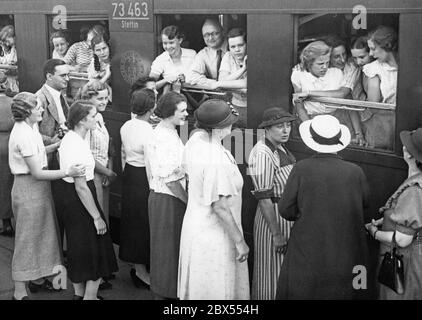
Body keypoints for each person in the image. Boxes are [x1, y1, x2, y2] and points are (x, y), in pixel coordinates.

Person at [276, 114, 370, 299]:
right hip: (347, 244)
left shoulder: (301, 168)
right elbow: (365, 204)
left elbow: (285, 208)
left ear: (311, 141)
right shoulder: (355, 171)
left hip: (308, 242)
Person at [8, 92, 84, 300]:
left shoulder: (28, 128)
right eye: (38, 107)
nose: (42, 109)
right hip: (29, 188)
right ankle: (19, 291)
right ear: (26, 112)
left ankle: (38, 279)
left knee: (41, 235)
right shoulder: (24, 134)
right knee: (27, 239)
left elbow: (39, 152)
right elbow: (38, 172)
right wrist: (68, 172)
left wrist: (58, 143)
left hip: (35, 189)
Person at [178, 99, 249, 300]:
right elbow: (220, 207)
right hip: (215, 234)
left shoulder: (195, 142)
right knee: (216, 290)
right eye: (229, 123)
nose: (232, 127)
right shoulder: (214, 157)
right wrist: (240, 241)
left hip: (196, 227)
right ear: (218, 128)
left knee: (201, 288)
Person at [58, 100, 118, 300]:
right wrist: (96, 217)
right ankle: (89, 297)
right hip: (82, 199)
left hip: (70, 199)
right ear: (83, 120)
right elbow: (81, 186)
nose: (97, 120)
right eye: (93, 116)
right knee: (96, 249)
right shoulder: (76, 144)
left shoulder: (72, 139)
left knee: (78, 247)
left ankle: (79, 294)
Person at [366, 128, 422, 300]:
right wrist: (387, 219)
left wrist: (374, 232)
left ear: (410, 155)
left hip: (407, 263)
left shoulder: (413, 191)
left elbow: (402, 240)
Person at [248, 107, 297, 300]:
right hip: (273, 219)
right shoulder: (262, 153)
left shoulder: (280, 147)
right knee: (271, 272)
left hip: (285, 216)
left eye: (288, 125)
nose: (285, 130)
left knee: (281, 271)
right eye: (279, 126)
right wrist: (276, 234)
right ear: (266, 129)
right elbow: (263, 197)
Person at [147, 92, 188, 299]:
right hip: (168, 199)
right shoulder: (164, 137)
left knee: (169, 251)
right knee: (166, 252)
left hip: (168, 198)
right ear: (170, 113)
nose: (186, 114)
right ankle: (163, 295)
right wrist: (188, 202)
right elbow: (170, 179)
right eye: (182, 111)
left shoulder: (169, 131)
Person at [294, 37, 364, 145]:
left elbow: (345, 97)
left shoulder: (343, 70)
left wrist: (358, 134)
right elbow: (299, 106)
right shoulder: (299, 73)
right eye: (336, 56)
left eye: (344, 54)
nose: (342, 60)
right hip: (309, 120)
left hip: (338, 118)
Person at [119, 88, 156, 290]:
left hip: (131, 175)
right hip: (143, 177)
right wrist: (153, 187)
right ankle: (142, 273)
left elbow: (125, 153)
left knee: (133, 223)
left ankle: (138, 268)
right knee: (143, 225)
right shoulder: (149, 131)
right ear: (151, 108)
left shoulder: (126, 125)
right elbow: (150, 163)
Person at [37, 58, 71, 246]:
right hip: (51, 160)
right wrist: (56, 141)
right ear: (49, 76)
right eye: (63, 75)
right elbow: (33, 133)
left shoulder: (59, 95)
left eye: (68, 74)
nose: (68, 78)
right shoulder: (39, 99)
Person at [77, 80, 116, 224]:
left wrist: (108, 169)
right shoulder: (85, 121)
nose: (104, 102)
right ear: (88, 99)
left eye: (106, 98)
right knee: (95, 215)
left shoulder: (98, 116)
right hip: (91, 176)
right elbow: (85, 156)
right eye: (100, 98)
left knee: (102, 211)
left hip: (101, 173)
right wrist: (108, 172)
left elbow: (106, 146)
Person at [362, 26, 398, 150]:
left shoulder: (410, 63)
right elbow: (374, 105)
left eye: (373, 49)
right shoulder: (374, 68)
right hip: (382, 126)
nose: (371, 54)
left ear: (387, 45)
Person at [149, 25, 196, 91]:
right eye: (165, 43)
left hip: (193, 96)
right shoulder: (160, 60)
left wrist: (186, 79)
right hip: (171, 98)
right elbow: (149, 86)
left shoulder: (192, 54)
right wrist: (166, 80)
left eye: (171, 43)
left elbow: (200, 77)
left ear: (180, 40)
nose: (168, 47)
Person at [218, 28, 248, 127]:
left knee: (251, 139)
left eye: (240, 45)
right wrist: (243, 69)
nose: (237, 50)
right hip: (234, 106)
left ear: (247, 44)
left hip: (253, 107)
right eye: (233, 46)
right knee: (237, 140)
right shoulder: (228, 56)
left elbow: (249, 85)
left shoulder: (253, 55)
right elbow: (221, 82)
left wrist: (229, 85)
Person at [187, 19, 228, 90]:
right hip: (216, 93)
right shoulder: (203, 54)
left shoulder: (234, 46)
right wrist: (215, 83)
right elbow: (191, 76)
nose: (210, 38)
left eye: (215, 33)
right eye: (206, 35)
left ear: (223, 32)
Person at [0, 92, 14, 237]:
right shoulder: (12, 102)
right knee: (9, 182)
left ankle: (6, 223)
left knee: (1, 185)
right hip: (10, 143)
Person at [0, 25, 19, 93]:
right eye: (5, 42)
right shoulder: (7, 47)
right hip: (9, 80)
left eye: (7, 41)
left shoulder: (19, 47)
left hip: (18, 80)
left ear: (14, 37)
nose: (7, 44)